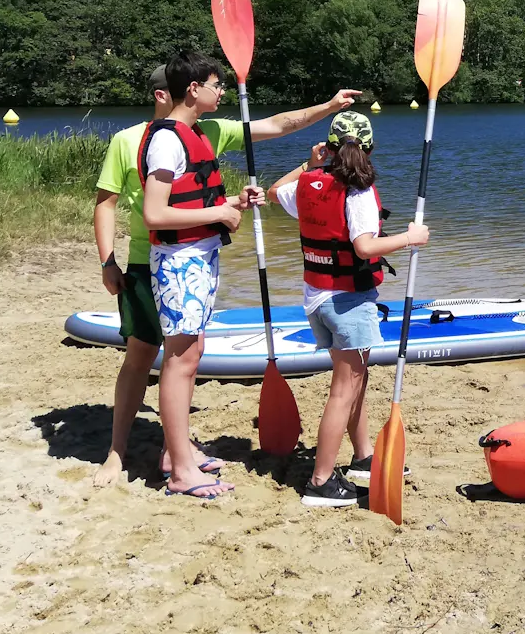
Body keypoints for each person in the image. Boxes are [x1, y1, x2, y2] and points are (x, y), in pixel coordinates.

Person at [92, 62, 361, 489]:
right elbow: (131, 208)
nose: (222, 94)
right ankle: (129, 455)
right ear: (180, 91)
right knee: (153, 359)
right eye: (215, 87)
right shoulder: (144, 141)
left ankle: (176, 452)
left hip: (192, 254)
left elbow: (276, 124)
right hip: (158, 261)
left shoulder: (204, 132)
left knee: (187, 357)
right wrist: (109, 261)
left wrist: (328, 107)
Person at [268, 111, 429, 507]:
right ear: (370, 148)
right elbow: (364, 247)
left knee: (357, 381)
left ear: (330, 147)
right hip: (348, 302)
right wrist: (410, 238)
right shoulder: (359, 193)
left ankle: (361, 458)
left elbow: (274, 192)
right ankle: (321, 481)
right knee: (344, 389)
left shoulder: (308, 183)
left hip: (317, 299)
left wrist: (310, 162)